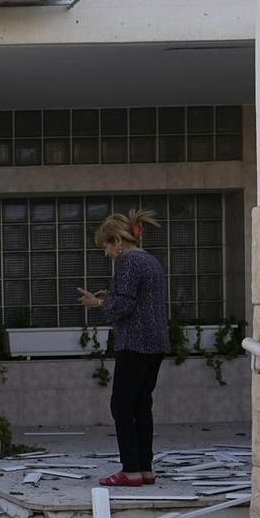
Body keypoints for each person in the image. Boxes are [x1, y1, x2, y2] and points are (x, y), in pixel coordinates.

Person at [76, 208, 168, 487]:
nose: (106, 251)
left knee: (121, 405)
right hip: (156, 343)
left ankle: (130, 470)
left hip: (135, 343)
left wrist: (99, 303)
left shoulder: (128, 262)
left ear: (118, 240)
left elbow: (125, 306)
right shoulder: (149, 261)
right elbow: (137, 299)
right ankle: (145, 469)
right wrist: (112, 296)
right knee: (142, 405)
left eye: (106, 244)